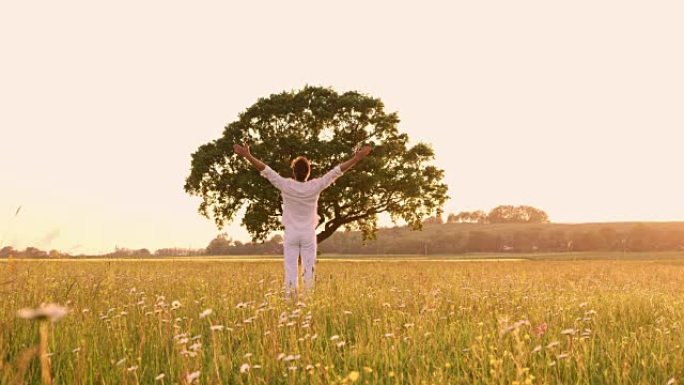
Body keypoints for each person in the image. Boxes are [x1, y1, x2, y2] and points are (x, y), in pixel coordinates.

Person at [233, 143, 372, 294]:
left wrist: (247, 155)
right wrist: (356, 159)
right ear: (308, 172)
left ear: (293, 171)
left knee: (290, 271)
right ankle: (307, 302)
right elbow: (336, 172)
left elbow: (265, 170)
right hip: (308, 234)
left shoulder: (285, 185)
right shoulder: (315, 185)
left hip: (291, 234)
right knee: (309, 271)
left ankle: (290, 302)